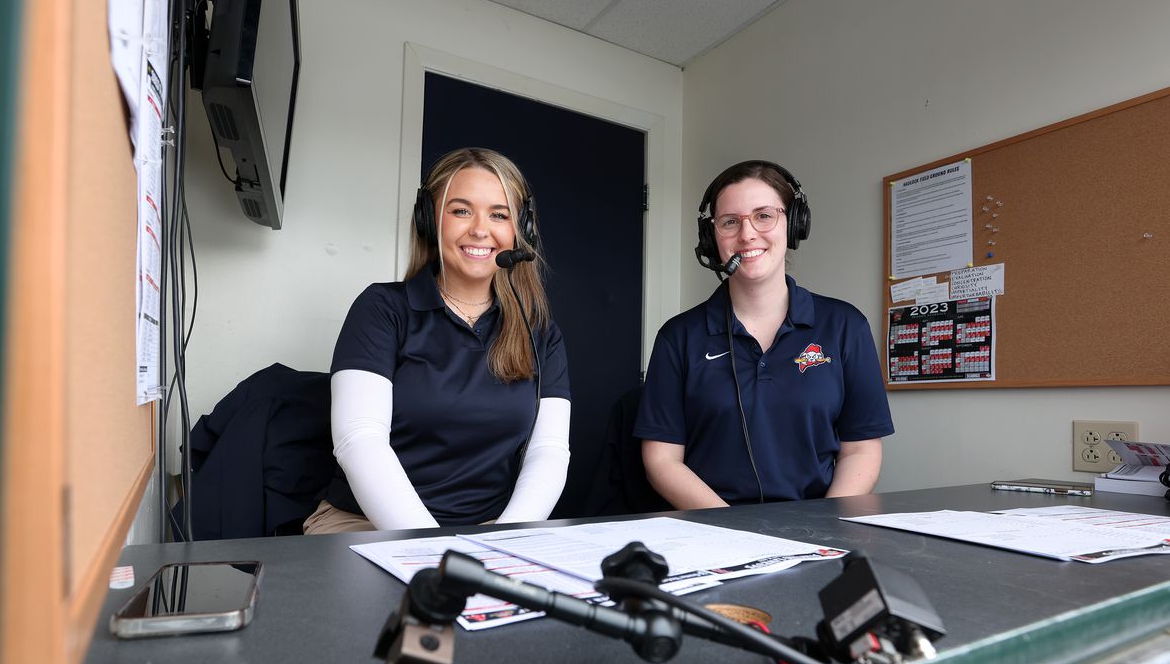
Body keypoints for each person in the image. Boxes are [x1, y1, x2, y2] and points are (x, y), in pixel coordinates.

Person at [303, 148, 571, 533]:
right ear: (429, 220)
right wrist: (432, 549)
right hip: (366, 523)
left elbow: (549, 451)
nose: (481, 229)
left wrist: (505, 540)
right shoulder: (382, 309)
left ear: (521, 229)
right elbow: (359, 440)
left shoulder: (540, 332)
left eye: (499, 214)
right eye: (461, 210)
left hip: (489, 527)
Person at [634, 160, 893, 509]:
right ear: (712, 238)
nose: (747, 234)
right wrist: (732, 530)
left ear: (794, 224)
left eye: (764, 216)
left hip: (818, 532)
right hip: (712, 532)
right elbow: (662, 460)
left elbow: (861, 449)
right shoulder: (678, 337)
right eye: (730, 222)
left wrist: (828, 527)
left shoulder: (845, 326)